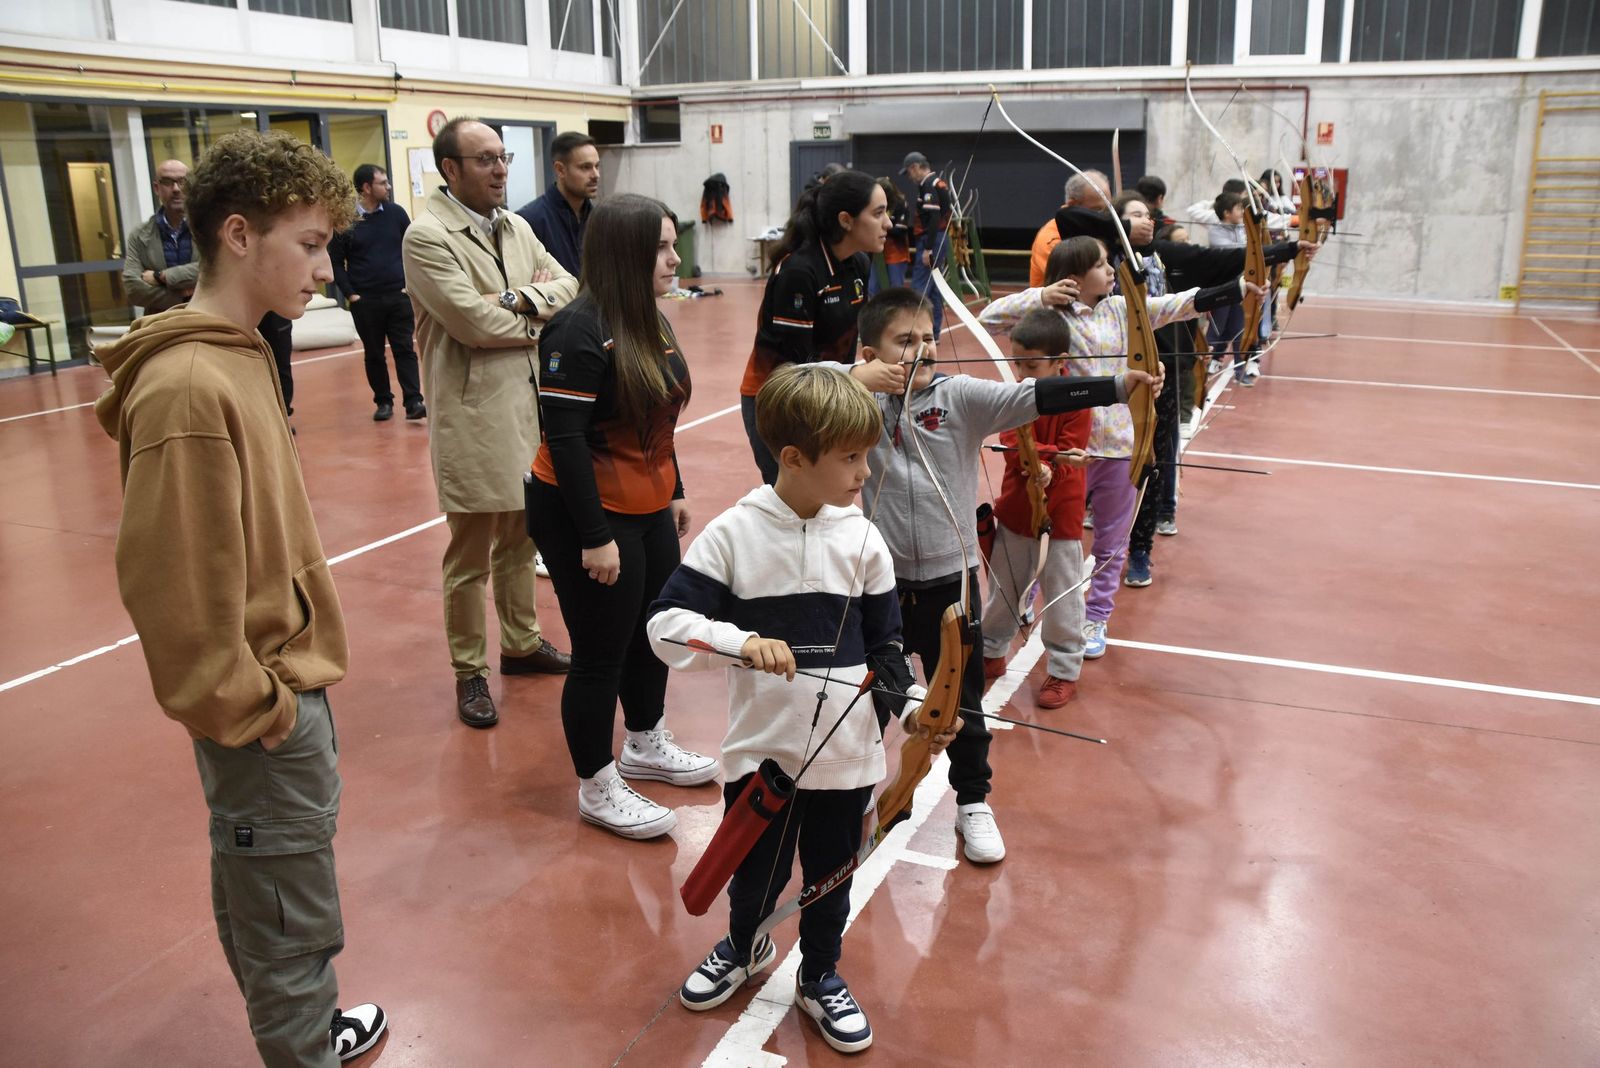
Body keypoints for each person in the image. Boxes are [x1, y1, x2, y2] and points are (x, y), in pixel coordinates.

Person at [94, 129, 386, 1068]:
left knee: (280, 884)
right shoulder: (187, 385)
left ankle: (304, 1031)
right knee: (284, 906)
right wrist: (257, 710)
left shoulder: (243, 352)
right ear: (236, 236)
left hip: (286, 678)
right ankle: (302, 1052)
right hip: (263, 698)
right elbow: (172, 588)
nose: (326, 267)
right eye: (308, 244)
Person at [649, 364, 953, 1052]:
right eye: (850, 457)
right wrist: (742, 640)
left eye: (866, 454)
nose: (864, 471)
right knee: (753, 875)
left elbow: (886, 652)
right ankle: (744, 944)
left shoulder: (864, 540)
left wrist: (915, 714)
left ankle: (819, 975)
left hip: (845, 763)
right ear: (793, 458)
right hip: (763, 757)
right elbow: (664, 625)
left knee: (828, 879)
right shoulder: (733, 535)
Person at [826, 287, 1157, 863]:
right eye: (904, 342)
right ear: (869, 350)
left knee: (964, 697)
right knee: (871, 693)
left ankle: (972, 801)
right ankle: (858, 791)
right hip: (878, 580)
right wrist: (856, 380)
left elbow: (1035, 394)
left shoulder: (961, 397)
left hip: (950, 584)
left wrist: (1113, 386)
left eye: (928, 338)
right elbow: (795, 383)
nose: (923, 350)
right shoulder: (850, 394)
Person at [527, 194, 720, 839]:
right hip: (585, 509)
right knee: (600, 651)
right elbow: (567, 443)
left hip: (646, 500)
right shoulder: (576, 329)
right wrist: (594, 538)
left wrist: (675, 487)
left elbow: (656, 413)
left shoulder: (649, 319)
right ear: (624, 255)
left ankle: (644, 740)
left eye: (672, 245)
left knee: (657, 628)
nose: (675, 258)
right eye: (662, 248)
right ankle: (596, 782)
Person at [979, 237, 1254, 659]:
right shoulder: (1050, 315)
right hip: (1065, 450)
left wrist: (1234, 290)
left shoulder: (1124, 309)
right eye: (1102, 265)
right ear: (1073, 278)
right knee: (1042, 529)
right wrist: (1040, 294)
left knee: (1110, 542)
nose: (1111, 271)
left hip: (1120, 446)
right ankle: (1026, 597)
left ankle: (1097, 615)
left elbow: (1175, 305)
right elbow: (989, 318)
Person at [402, 117, 575, 728]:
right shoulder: (427, 237)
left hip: (527, 410)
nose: (501, 169)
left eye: (502, 157)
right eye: (484, 160)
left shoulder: (518, 227)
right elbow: (471, 324)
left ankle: (521, 644)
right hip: (473, 417)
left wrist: (521, 300)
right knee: (470, 553)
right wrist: (537, 319)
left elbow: (569, 285)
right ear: (450, 170)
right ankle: (469, 671)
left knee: (523, 539)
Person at [738, 170, 895, 484]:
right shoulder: (799, 271)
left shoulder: (859, 263)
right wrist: (854, 374)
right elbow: (794, 368)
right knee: (796, 498)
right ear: (846, 220)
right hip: (776, 400)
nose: (889, 223)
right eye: (878, 213)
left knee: (832, 496)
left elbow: (854, 332)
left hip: (828, 392)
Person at [979, 309, 1093, 709]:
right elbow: (1012, 444)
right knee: (1004, 590)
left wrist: (1050, 467)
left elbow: (1072, 449)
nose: (1023, 371)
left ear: (1059, 362)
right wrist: (1044, 462)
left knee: (1062, 596)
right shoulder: (1018, 394)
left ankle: (1063, 669)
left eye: (1033, 364)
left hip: (1059, 515)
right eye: (1018, 362)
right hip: (1015, 512)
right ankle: (991, 651)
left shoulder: (1078, 398)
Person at [330, 163, 425, 422]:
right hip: (365, 300)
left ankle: (414, 400)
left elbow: (413, 249)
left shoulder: (396, 214)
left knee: (404, 348)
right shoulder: (347, 220)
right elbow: (335, 261)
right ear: (366, 188)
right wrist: (351, 294)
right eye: (383, 183)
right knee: (374, 353)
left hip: (398, 295)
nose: (388, 186)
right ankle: (383, 401)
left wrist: (411, 286)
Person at [515, 130, 599, 276]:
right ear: (560, 170)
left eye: (596, 166)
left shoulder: (599, 218)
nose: (595, 175)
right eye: (585, 167)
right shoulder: (528, 221)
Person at [122, 158, 199, 314]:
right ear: (157, 188)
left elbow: (213, 270)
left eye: (182, 181)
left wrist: (160, 277)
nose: (176, 188)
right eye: (167, 182)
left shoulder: (209, 227)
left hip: (208, 322)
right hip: (161, 326)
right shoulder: (139, 235)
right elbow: (133, 289)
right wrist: (183, 296)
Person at [900, 151, 952, 338]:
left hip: (932, 239)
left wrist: (928, 248)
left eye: (908, 172)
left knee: (919, 287)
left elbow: (934, 218)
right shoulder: (937, 183)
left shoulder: (929, 185)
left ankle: (914, 332)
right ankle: (933, 332)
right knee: (934, 289)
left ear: (915, 167)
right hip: (937, 238)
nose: (909, 177)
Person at [868, 175, 910, 296]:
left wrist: (880, 227)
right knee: (872, 288)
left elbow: (900, 230)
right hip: (877, 253)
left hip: (896, 252)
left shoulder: (900, 203)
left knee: (895, 289)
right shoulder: (874, 204)